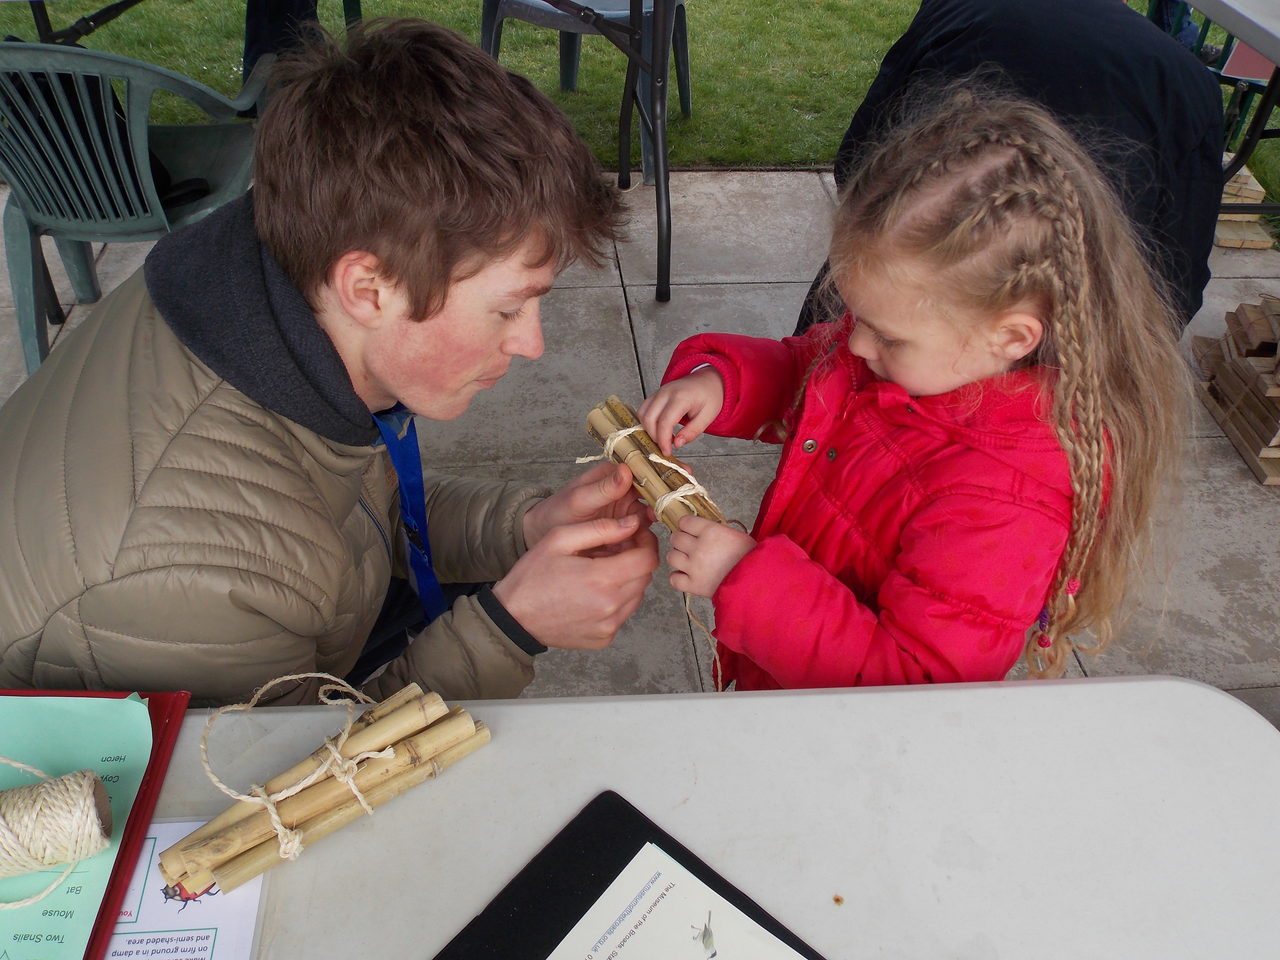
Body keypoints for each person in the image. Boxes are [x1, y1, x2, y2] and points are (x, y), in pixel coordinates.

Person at [0, 19, 659, 706]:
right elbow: (287, 769)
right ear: (368, 290)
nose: (532, 344)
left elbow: (358, 511)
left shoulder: (278, 295)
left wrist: (525, 525)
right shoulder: (199, 571)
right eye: (508, 308)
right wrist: (510, 630)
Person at [639, 87, 1188, 690]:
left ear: (1010, 337)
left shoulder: (1003, 502)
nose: (856, 345)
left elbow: (916, 685)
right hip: (785, 672)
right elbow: (814, 372)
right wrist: (723, 383)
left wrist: (747, 581)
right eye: (857, 317)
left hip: (844, 728)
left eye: (887, 336)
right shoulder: (916, 357)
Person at [794, 0, 1224, 334]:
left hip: (885, 301)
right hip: (1056, 346)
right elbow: (1176, 280)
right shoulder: (1189, 79)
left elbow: (861, 160)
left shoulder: (963, 7)